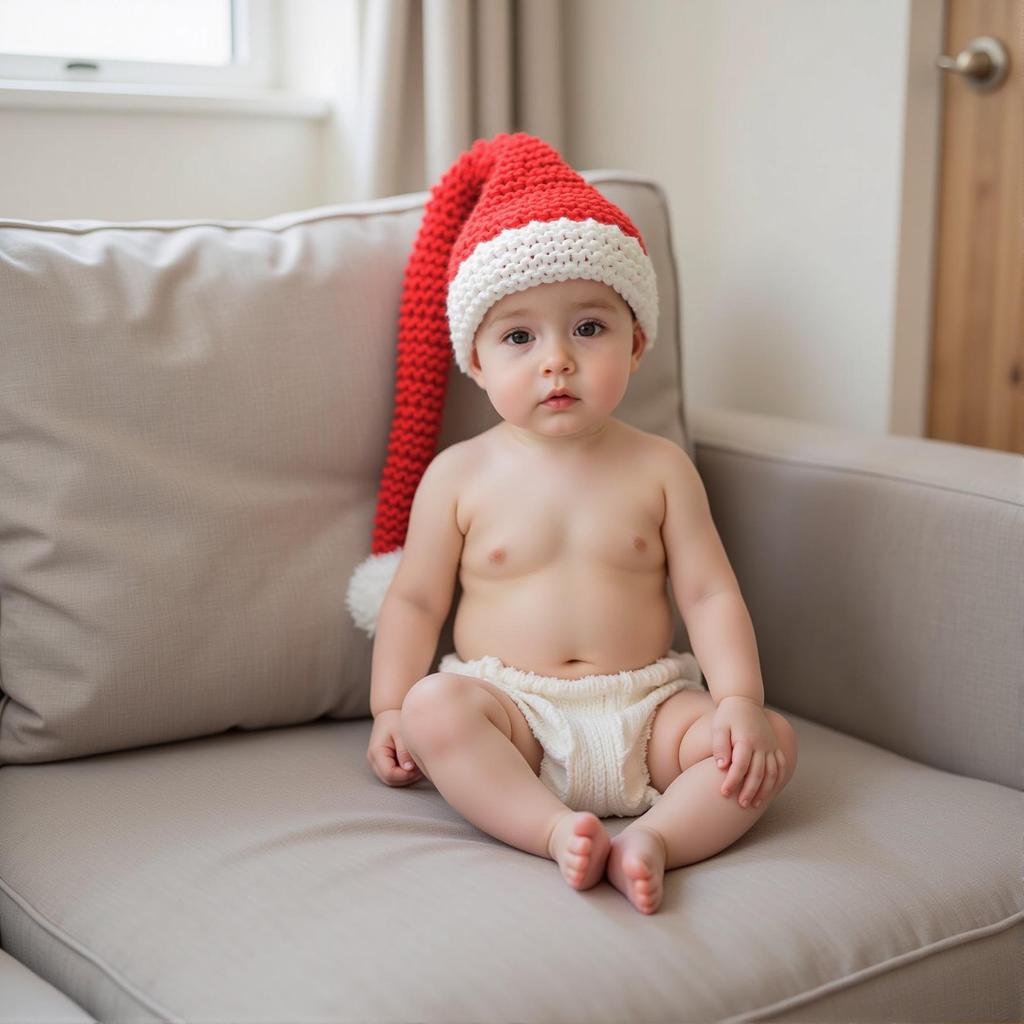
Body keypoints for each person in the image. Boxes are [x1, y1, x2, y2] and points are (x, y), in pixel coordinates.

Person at [348, 132, 798, 915]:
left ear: (637, 341)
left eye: (588, 328)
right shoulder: (458, 474)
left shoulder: (660, 468)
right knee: (433, 710)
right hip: (511, 716)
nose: (556, 360)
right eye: (520, 336)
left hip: (649, 707)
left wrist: (737, 699)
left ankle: (658, 839)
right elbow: (416, 601)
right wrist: (389, 707)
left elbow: (708, 594)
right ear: (478, 363)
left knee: (771, 743)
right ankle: (554, 830)